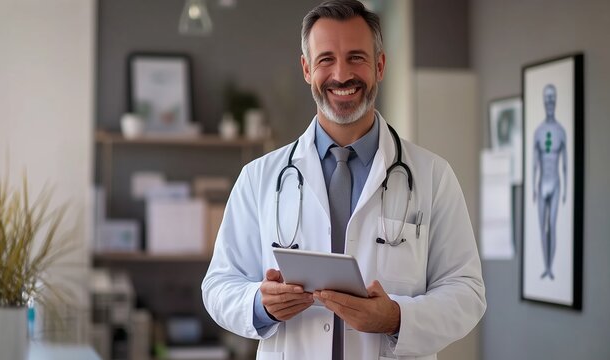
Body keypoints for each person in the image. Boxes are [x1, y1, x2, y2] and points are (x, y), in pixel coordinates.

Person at [202, 1, 486, 359]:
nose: (341, 75)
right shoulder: (259, 177)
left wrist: (397, 318)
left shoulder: (433, 176)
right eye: (326, 60)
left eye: (356, 58)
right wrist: (260, 305)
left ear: (379, 65)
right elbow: (218, 285)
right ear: (307, 69)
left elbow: (467, 292)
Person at [532, 84, 567, 280]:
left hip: (555, 183)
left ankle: (550, 266)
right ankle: (545, 266)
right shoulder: (538, 132)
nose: (550, 102)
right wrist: (532, 189)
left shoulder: (561, 131)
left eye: (553, 98)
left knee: (552, 226)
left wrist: (565, 191)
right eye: (547, 98)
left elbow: (566, 164)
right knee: (541, 228)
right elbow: (534, 164)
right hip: (542, 183)